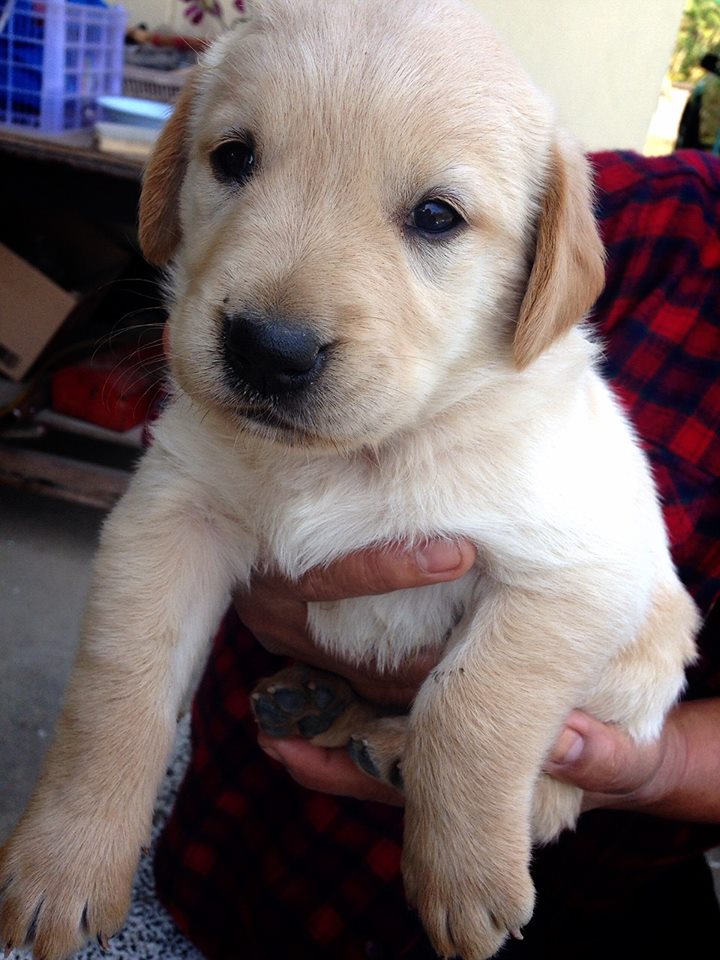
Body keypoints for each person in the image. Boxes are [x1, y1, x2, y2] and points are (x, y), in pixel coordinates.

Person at [154, 149, 720, 959]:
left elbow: (590, 583)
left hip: (577, 899)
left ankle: (466, 765)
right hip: (240, 829)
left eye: (431, 219)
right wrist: (225, 509)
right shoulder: (632, 206)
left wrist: (650, 765)